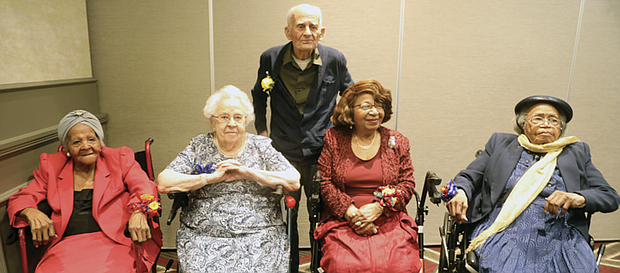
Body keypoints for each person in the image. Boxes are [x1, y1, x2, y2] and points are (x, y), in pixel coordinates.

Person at [446, 95, 620, 272]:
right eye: (538, 118)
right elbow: (469, 176)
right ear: (523, 124)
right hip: (506, 227)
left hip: (561, 231)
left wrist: (577, 198)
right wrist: (460, 191)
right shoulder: (500, 144)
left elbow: (609, 196)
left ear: (560, 127)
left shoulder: (576, 152)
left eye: (554, 120)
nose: (546, 124)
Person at [251, 4, 354, 271]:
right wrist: (262, 135)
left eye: (312, 27)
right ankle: (290, 266)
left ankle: (321, 265)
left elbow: (351, 96)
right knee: (287, 215)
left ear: (322, 31)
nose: (307, 32)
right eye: (300, 26)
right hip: (283, 152)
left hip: (322, 152)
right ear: (288, 32)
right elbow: (259, 96)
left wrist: (342, 131)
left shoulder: (334, 59)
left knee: (321, 214)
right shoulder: (270, 59)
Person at [157, 85, 300, 273]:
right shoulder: (199, 146)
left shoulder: (261, 146)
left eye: (238, 117)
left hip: (259, 231)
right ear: (212, 122)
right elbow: (164, 182)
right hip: (203, 233)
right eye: (224, 117)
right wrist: (209, 178)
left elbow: (293, 179)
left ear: (246, 120)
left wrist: (249, 173)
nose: (232, 123)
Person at [7, 110, 162, 272]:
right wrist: (31, 212)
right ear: (66, 148)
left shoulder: (119, 158)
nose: (86, 146)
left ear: (100, 142)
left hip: (117, 240)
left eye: (91, 139)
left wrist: (139, 212)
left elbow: (144, 186)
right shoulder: (51, 166)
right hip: (65, 246)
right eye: (76, 142)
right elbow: (21, 198)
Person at [313, 80, 422, 273]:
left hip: (389, 218)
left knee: (398, 265)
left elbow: (407, 183)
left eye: (378, 106)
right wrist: (351, 212)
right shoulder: (334, 139)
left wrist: (380, 207)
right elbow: (325, 182)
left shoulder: (397, 141)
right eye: (366, 106)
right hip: (343, 220)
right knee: (344, 265)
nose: (374, 112)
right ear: (350, 111)